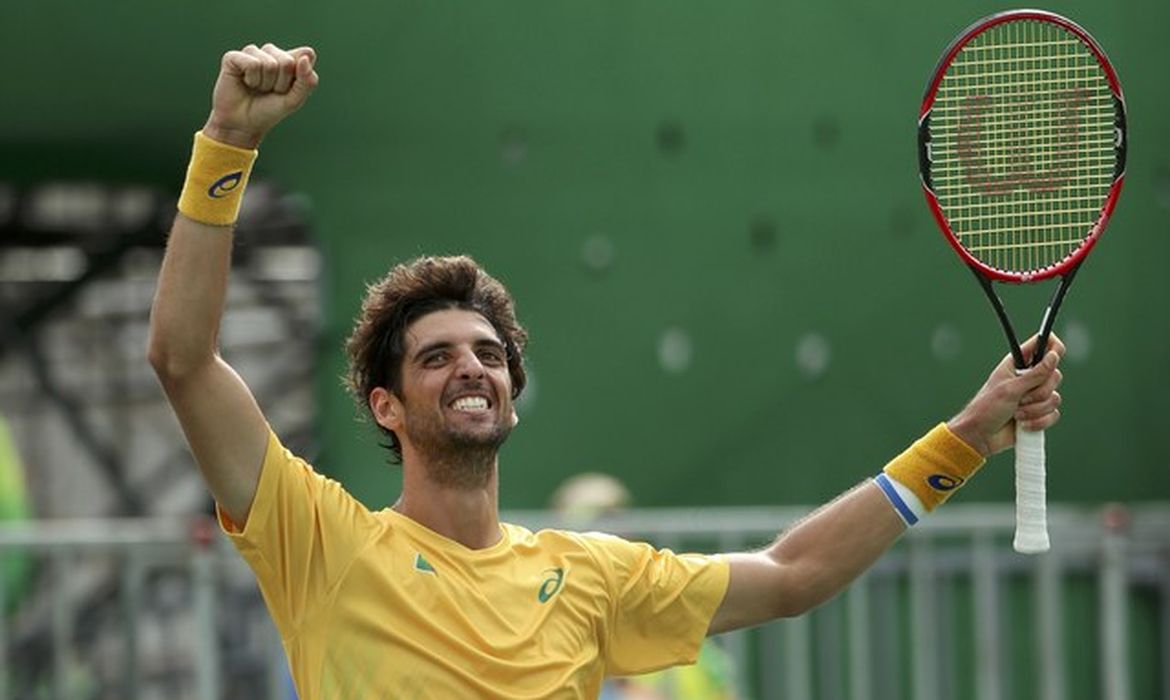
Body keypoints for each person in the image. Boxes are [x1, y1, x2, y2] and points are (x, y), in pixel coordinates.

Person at [148, 43, 1065, 699]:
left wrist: (968, 438)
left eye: (489, 353)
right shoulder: (323, 543)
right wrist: (228, 142)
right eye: (437, 357)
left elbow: (792, 574)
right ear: (385, 407)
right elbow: (184, 361)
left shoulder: (588, 577)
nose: (472, 368)